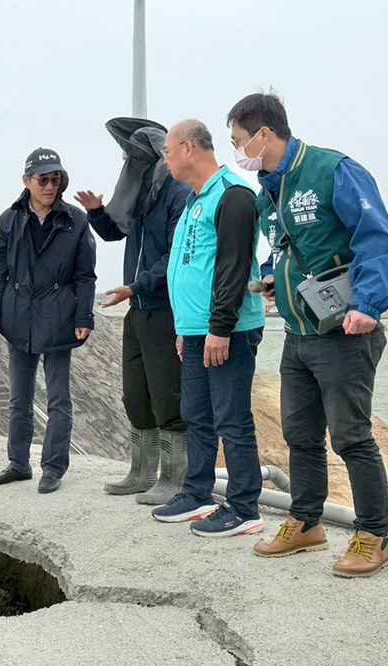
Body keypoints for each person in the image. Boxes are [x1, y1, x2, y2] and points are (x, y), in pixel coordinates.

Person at [227, 92, 388, 577]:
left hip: (343, 331)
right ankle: (306, 522)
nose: (237, 151)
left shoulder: (332, 170)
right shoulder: (269, 191)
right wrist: (269, 276)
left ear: (264, 134)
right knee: (300, 435)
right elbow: (279, 250)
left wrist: (367, 305)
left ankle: (375, 533)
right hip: (298, 333)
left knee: (351, 436)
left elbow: (377, 238)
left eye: (238, 140)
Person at [150, 119, 266, 537]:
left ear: (187, 148)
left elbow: (233, 267)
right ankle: (198, 493)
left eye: (166, 151)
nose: (164, 159)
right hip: (198, 330)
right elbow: (193, 269)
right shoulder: (193, 201)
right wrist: (187, 328)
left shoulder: (233, 195)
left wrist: (219, 327)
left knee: (231, 419)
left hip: (228, 330)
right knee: (196, 415)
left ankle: (245, 508)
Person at [74, 117, 191, 505]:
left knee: (168, 397)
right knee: (135, 396)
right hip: (137, 310)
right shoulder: (141, 196)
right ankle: (141, 473)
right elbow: (114, 232)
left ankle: (174, 479)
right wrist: (96, 212)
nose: (125, 161)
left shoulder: (176, 193)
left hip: (164, 310)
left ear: (150, 158)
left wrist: (136, 286)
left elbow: (176, 257)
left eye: (131, 155)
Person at [0, 148, 97, 494]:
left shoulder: (76, 220)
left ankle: (53, 468)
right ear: (26, 181)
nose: (50, 186)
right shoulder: (9, 219)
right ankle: (18, 464)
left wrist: (84, 315)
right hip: (18, 318)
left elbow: (85, 275)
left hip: (59, 317)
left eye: (55, 179)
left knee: (58, 399)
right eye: (43, 179)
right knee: (19, 398)